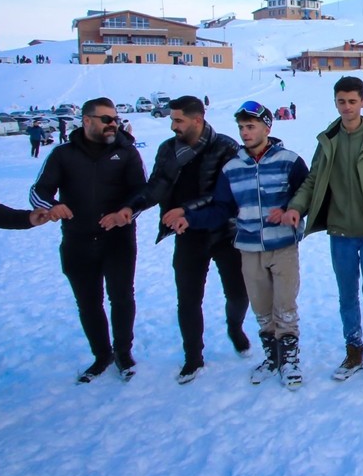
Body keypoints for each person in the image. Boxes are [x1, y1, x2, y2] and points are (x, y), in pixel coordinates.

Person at [101, 96, 251, 384]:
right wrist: (131, 208)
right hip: (186, 234)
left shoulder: (226, 147)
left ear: (198, 120)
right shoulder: (169, 150)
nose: (173, 126)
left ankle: (235, 327)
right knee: (188, 299)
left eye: (178, 120)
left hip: (224, 231)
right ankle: (193, 357)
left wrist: (186, 209)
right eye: (172, 120)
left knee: (238, 293)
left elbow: (225, 195)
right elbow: (156, 185)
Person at [172, 101, 309, 390]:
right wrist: (191, 219)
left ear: (267, 127)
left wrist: (291, 211)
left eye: (251, 126)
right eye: (242, 128)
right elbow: (222, 208)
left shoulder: (289, 161)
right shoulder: (232, 167)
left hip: (283, 245)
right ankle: (272, 357)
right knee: (260, 307)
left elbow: (307, 196)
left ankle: (290, 360)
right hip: (248, 248)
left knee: (284, 305)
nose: (245, 133)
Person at [283, 77, 363, 384]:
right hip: (340, 231)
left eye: (352, 101)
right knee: (347, 295)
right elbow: (312, 180)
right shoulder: (327, 140)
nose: (346, 107)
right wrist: (296, 207)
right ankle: (353, 349)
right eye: (341, 101)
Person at [29, 98, 147, 383]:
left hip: (118, 239)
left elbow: (143, 192)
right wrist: (51, 205)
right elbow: (38, 191)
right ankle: (101, 354)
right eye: (106, 119)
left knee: (121, 297)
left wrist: (126, 212)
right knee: (88, 302)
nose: (113, 124)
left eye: (116, 119)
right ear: (87, 120)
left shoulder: (126, 152)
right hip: (77, 240)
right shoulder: (63, 154)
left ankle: (123, 352)